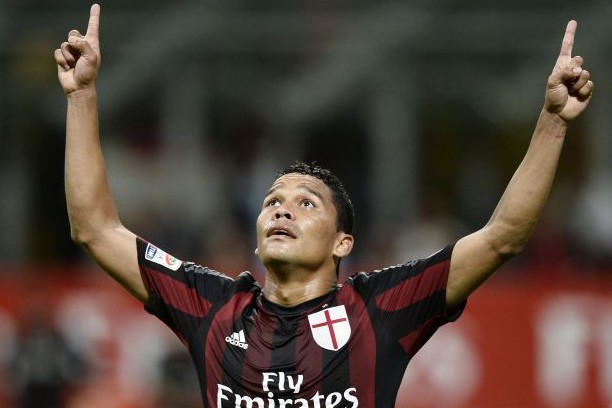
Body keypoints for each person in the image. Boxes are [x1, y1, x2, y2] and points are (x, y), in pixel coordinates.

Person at [54, 4, 594, 407]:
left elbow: (502, 237)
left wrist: (552, 122)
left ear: (343, 242)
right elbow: (95, 230)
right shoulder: (215, 308)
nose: (281, 210)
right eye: (272, 201)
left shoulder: (379, 310)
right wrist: (81, 96)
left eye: (306, 203)